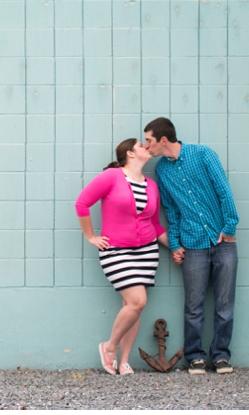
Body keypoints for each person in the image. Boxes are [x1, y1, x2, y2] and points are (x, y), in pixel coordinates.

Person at [143, 117, 239, 376]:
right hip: (192, 243)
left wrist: (229, 227)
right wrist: (174, 244)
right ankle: (195, 357)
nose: (146, 146)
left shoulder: (203, 154)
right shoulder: (162, 169)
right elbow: (171, 210)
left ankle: (220, 356)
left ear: (163, 139)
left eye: (149, 140)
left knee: (224, 304)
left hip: (223, 241)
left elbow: (224, 191)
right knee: (193, 305)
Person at [75, 138, 169, 375]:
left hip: (147, 251)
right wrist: (91, 236)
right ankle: (109, 347)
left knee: (132, 306)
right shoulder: (112, 177)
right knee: (138, 301)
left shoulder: (152, 186)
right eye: (141, 145)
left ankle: (124, 360)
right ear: (130, 153)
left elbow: (155, 225)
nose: (146, 147)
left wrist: (176, 247)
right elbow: (82, 203)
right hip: (116, 250)